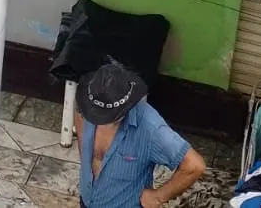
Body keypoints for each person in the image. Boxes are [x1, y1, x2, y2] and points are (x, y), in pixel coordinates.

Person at [75, 61, 206, 208]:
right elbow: (79, 117)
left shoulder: (151, 128)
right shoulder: (86, 106)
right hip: (87, 200)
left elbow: (195, 165)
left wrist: (158, 197)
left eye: (107, 116)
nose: (99, 120)